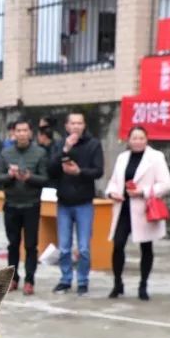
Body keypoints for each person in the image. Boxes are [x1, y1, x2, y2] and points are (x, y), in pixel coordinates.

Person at [106, 126, 170, 301]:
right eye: (134, 138)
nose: (137, 141)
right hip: (123, 208)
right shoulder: (122, 158)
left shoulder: (156, 157)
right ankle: (117, 283)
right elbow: (113, 181)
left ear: (147, 139)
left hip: (144, 208)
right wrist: (112, 193)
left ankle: (143, 285)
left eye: (141, 138)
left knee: (146, 247)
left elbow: (165, 184)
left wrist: (143, 192)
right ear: (128, 140)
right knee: (118, 244)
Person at [48, 112, 104, 296]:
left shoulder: (93, 144)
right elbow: (51, 170)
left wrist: (79, 172)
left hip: (84, 203)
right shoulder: (59, 144)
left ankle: (82, 281)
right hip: (63, 202)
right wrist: (65, 149)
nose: (76, 127)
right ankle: (65, 280)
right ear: (66, 126)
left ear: (84, 125)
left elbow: (98, 171)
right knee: (64, 247)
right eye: (73, 123)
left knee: (83, 248)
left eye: (80, 123)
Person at [0, 120, 48, 295]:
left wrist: (29, 177)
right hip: (11, 205)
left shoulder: (40, 153)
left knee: (31, 245)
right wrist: (10, 176)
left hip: (31, 205)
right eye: (19, 130)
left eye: (25, 130)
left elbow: (45, 179)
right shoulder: (6, 153)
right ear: (14, 133)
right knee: (12, 244)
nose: (22, 133)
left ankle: (30, 280)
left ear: (30, 133)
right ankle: (13, 278)